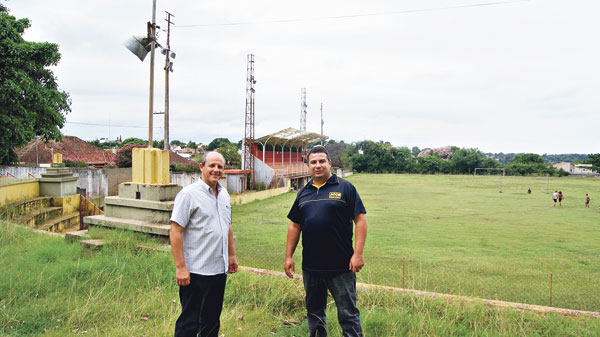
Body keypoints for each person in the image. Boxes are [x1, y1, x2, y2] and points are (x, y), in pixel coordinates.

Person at [285, 145, 367, 337]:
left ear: (329, 163)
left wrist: (358, 254)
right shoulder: (303, 193)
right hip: (312, 268)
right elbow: (294, 225)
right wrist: (288, 256)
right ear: (308, 166)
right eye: (313, 162)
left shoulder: (345, 188)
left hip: (341, 266)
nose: (318, 165)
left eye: (322, 161)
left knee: (348, 314)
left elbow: (360, 220)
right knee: (315, 314)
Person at [169, 151, 238, 337]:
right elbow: (175, 230)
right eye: (212, 166)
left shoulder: (224, 195)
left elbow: (227, 225)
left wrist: (231, 256)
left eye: (220, 167)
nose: (216, 170)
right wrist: (180, 267)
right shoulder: (189, 194)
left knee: (212, 320)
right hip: (196, 271)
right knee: (189, 322)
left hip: (218, 269)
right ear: (202, 167)